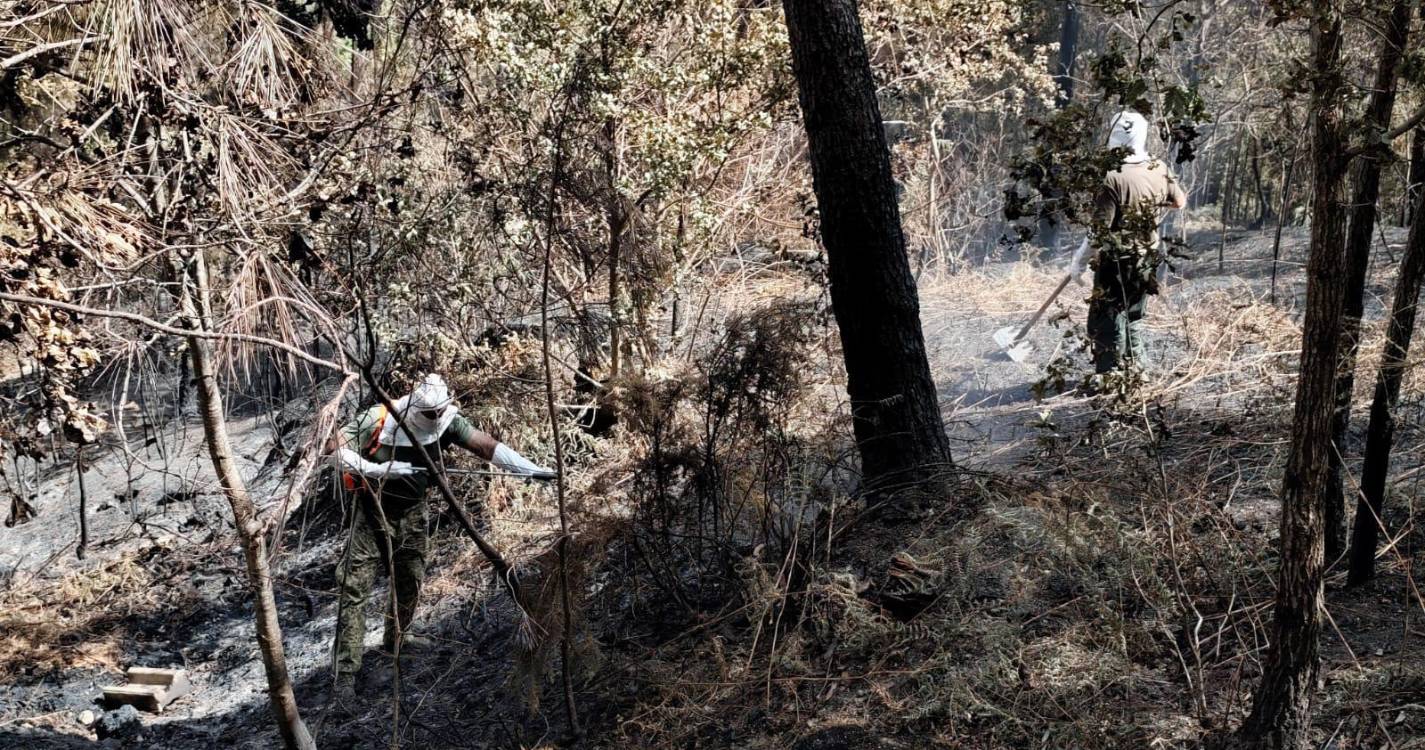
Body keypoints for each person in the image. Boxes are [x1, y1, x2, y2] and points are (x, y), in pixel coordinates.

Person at [327, 373, 554, 706]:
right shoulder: (381, 418)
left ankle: (398, 639)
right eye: (428, 415)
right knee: (354, 587)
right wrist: (376, 469)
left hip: (414, 512)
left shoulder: (448, 422)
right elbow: (334, 449)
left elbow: (487, 447)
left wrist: (529, 469)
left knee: (410, 579)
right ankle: (344, 675)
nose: (434, 420)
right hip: (372, 512)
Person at [1067, 110, 1188, 376]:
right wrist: (1151, 204)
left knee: (1106, 318)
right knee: (1133, 314)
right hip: (1147, 256)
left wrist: (1079, 259)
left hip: (1117, 259)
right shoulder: (1159, 168)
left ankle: (1110, 376)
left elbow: (1099, 232)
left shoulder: (1112, 177)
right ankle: (1137, 371)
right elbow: (1179, 202)